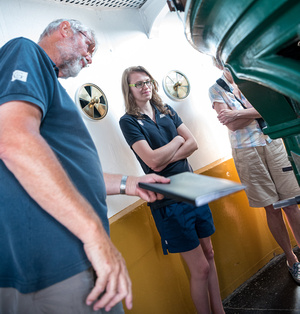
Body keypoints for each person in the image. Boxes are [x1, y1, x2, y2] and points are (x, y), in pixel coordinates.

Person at [0, 19, 170, 314]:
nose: (90, 58)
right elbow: (13, 139)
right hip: (59, 262)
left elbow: (68, 175)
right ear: (65, 29)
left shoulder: (50, 88)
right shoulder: (25, 51)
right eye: (88, 46)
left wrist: (130, 183)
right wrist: (93, 234)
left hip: (70, 258)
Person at [119, 66, 225, 314]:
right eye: (138, 84)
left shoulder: (166, 110)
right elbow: (153, 162)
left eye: (147, 81)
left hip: (194, 191)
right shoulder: (129, 121)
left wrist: (166, 153)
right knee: (200, 269)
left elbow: (194, 144)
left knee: (209, 253)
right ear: (129, 90)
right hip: (168, 202)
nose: (145, 86)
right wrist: (178, 141)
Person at [208, 58, 300, 284]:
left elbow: (273, 110)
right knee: (271, 207)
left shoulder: (256, 80)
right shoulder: (215, 89)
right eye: (223, 61)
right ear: (218, 63)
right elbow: (231, 125)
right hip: (247, 152)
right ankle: (292, 260)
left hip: (274, 143)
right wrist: (253, 112)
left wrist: (237, 113)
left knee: (291, 203)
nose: (228, 64)